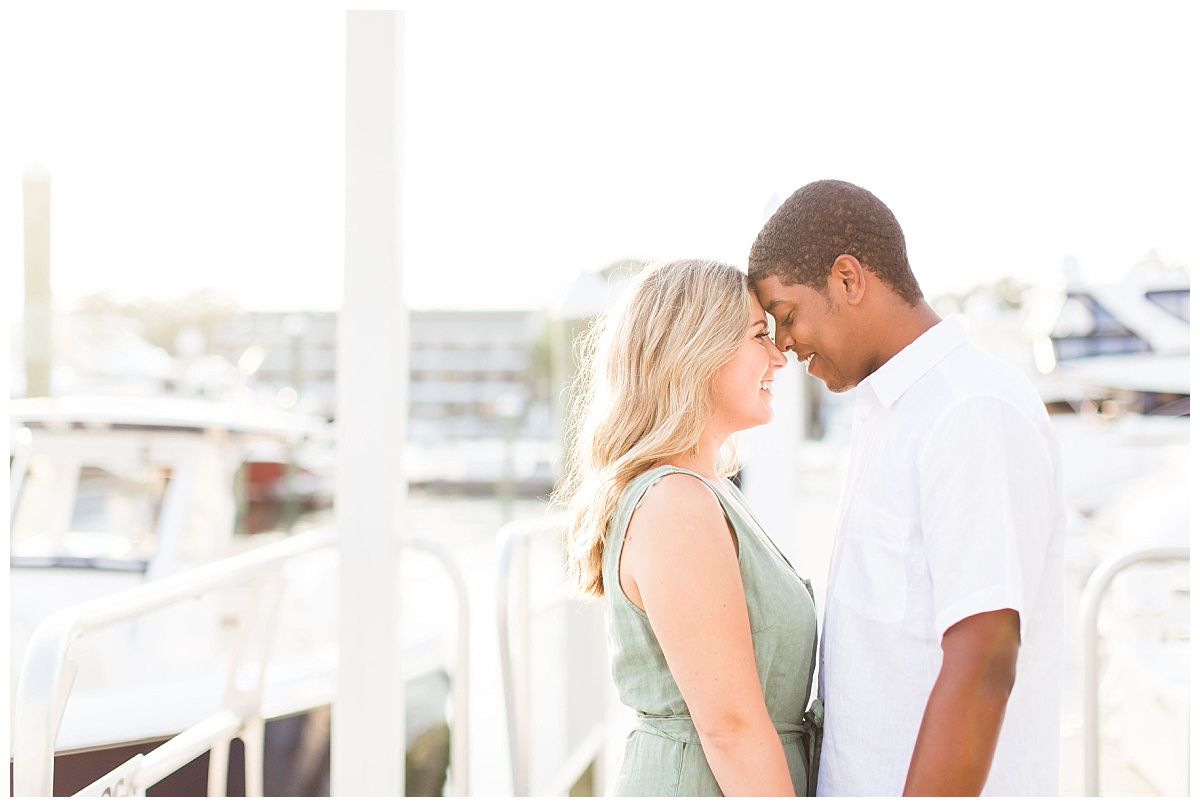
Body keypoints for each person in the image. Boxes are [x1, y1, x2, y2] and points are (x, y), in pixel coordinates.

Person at [748, 179, 1066, 796]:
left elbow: (984, 658)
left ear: (847, 279)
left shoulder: (970, 409)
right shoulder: (892, 410)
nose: (783, 343)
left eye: (787, 315)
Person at [554, 258, 822, 796]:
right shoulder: (675, 503)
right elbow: (731, 730)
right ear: (696, 353)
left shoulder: (703, 492)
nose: (779, 356)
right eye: (757, 337)